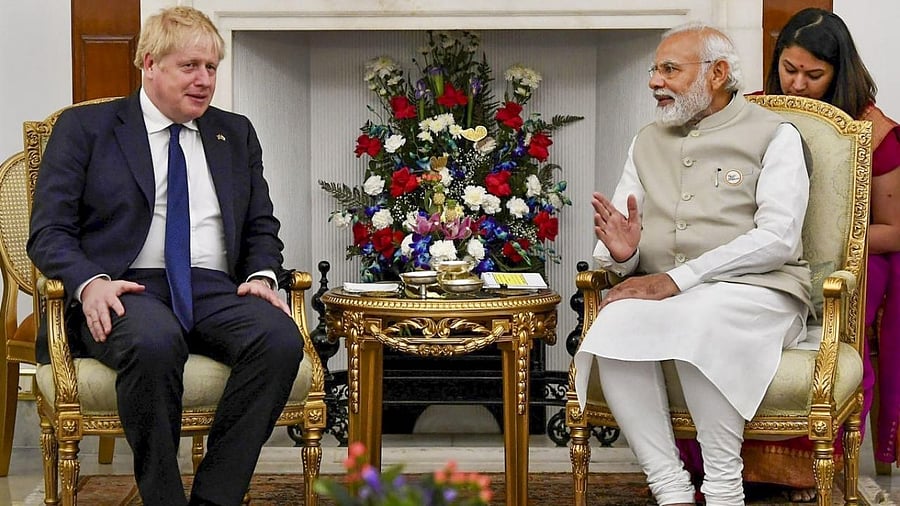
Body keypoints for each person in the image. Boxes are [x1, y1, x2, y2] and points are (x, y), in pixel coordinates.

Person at [26, 6, 303, 506]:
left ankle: (216, 497)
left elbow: (262, 225)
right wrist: (90, 282)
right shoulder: (85, 128)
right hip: (123, 286)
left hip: (214, 286)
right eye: (190, 66)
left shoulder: (234, 133)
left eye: (212, 68)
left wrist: (263, 275)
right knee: (155, 342)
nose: (204, 80)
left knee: (280, 338)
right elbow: (48, 233)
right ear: (149, 64)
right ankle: (163, 498)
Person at [573, 22, 812, 506]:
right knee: (613, 321)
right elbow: (620, 238)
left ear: (718, 72)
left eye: (669, 69)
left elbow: (778, 238)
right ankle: (671, 488)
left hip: (760, 292)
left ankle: (724, 488)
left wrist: (677, 280)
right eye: (653, 69)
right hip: (673, 295)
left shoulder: (776, 135)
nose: (654, 81)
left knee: (703, 316)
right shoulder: (645, 141)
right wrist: (624, 254)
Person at [739, 7, 900, 502]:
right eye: (789, 70)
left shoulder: (875, 131)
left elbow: (894, 231)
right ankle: (724, 460)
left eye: (814, 74)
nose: (798, 85)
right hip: (760, 249)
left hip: (845, 257)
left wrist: (829, 241)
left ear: (839, 71)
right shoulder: (751, 112)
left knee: (851, 285)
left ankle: (808, 467)